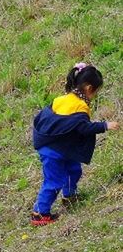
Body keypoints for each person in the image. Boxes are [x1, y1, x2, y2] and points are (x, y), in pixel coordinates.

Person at [31, 63, 119, 226]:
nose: (95, 95)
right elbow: (83, 128)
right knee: (53, 181)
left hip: (61, 146)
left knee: (74, 170)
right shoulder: (79, 106)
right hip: (52, 151)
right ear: (89, 88)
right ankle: (40, 213)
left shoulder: (61, 99)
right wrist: (105, 125)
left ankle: (69, 195)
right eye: (96, 91)